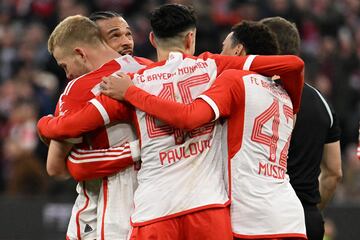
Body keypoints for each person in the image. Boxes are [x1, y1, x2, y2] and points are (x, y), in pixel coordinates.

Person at [37, 4, 305, 240]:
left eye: (128, 33)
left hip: (154, 209)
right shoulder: (215, 70)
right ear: (192, 38)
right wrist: (293, 104)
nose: (125, 42)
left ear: (152, 39)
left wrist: (44, 124)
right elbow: (292, 64)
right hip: (216, 208)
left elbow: (68, 133)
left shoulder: (133, 82)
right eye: (115, 35)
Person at [44, 15, 151, 240]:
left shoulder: (79, 88)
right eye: (116, 34)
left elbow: (55, 167)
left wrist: (45, 125)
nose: (67, 74)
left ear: (80, 53)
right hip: (157, 194)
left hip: (106, 202)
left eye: (65, 66)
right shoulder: (151, 69)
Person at [260, 16, 343, 240]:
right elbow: (334, 172)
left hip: (263, 218)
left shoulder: (254, 95)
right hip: (307, 219)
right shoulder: (321, 103)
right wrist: (312, 209)